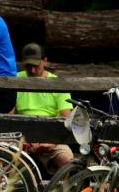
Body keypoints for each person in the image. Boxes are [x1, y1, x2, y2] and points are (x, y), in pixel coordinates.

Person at [13, 43, 74, 172]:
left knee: (67, 160)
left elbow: (66, 117)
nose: (32, 70)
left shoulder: (58, 83)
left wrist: (53, 141)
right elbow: (9, 113)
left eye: (36, 66)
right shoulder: (15, 79)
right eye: (28, 66)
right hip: (20, 134)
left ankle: (61, 186)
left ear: (45, 61)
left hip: (50, 135)